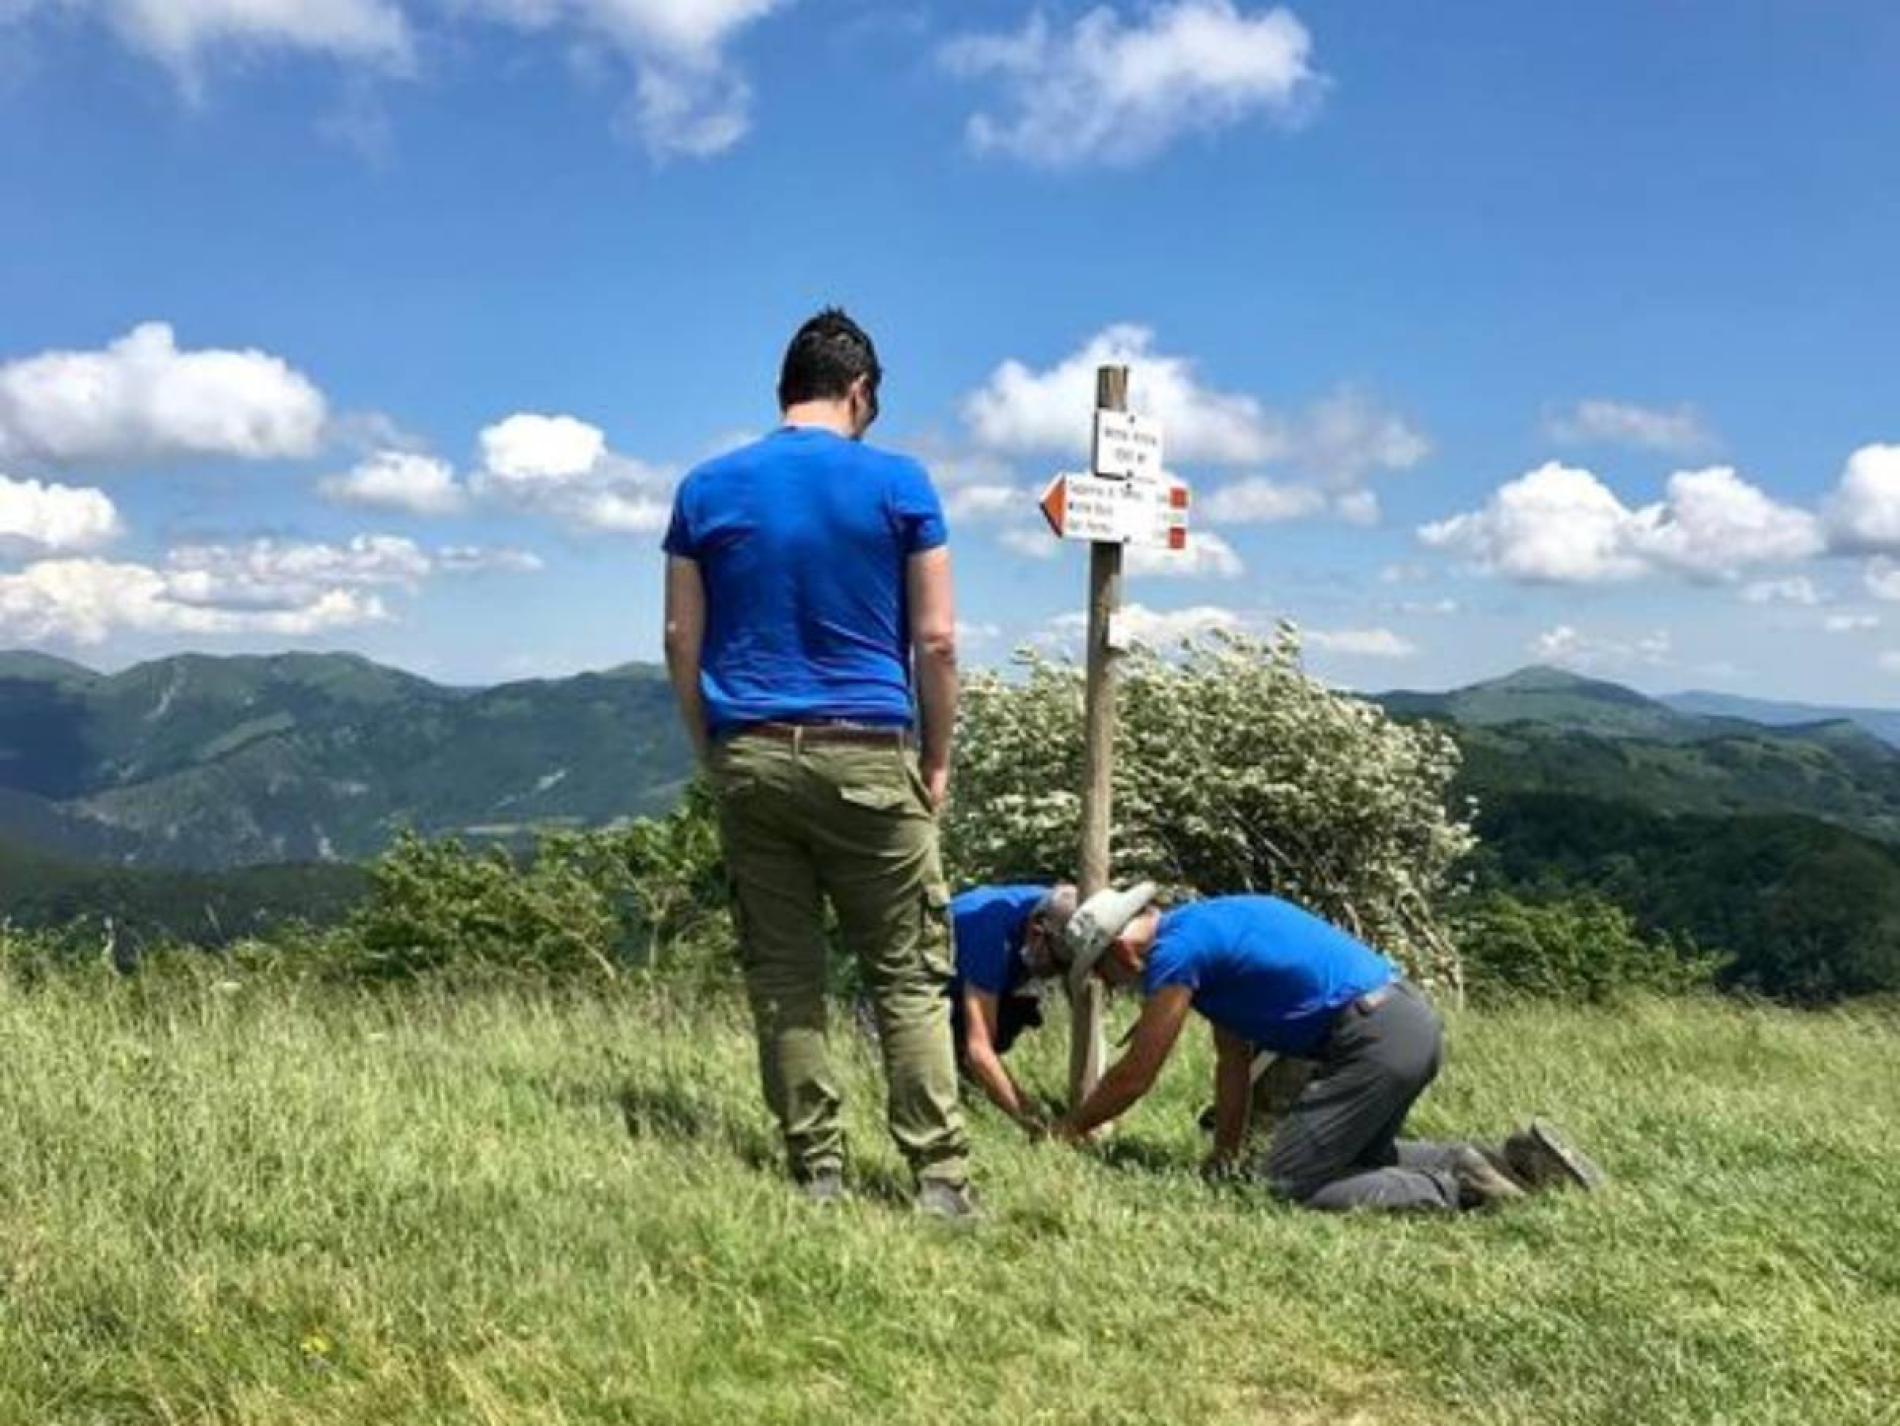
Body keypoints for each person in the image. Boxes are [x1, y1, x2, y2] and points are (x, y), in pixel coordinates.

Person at [662, 308, 974, 1219]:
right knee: (908, 974)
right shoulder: (900, 484)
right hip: (870, 749)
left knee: (786, 975)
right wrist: (939, 759)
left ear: (782, 392)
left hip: (751, 752)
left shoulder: (705, 487)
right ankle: (939, 1181)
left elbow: (683, 638)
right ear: (861, 391)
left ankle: (818, 1174)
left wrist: (711, 746)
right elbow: (939, 640)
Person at [1050, 885, 1602, 1211]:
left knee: (1287, 1184)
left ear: (1122, 949)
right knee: (1357, 1162)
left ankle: (1460, 1189)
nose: (1112, 985)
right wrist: (1223, 1154)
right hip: (1406, 1022)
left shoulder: (1176, 952)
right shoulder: (1212, 923)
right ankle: (1507, 1160)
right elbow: (1233, 1060)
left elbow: (1137, 1073)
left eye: (1102, 972)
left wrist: (1069, 1131)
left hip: (1372, 1040)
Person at [947, 883, 1076, 1136]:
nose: (1057, 973)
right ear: (1037, 933)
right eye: (1057, 963)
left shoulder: (1061, 910)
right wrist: (1038, 1126)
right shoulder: (989, 937)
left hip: (984, 969)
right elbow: (979, 1051)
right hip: (931, 982)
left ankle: (970, 1086)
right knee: (968, 1044)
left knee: (1015, 1017)